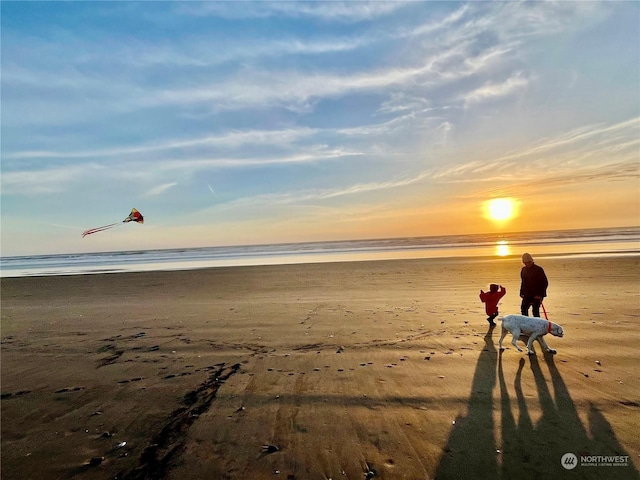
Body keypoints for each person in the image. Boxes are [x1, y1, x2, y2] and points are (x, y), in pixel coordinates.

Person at [520, 253, 548, 317]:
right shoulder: (523, 270)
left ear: (532, 261)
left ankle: (537, 325)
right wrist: (521, 292)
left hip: (537, 294)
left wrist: (540, 294)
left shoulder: (538, 269)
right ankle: (526, 324)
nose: (527, 264)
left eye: (529, 262)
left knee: (535, 311)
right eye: (525, 263)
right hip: (527, 294)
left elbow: (544, 282)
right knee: (524, 309)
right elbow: (523, 282)